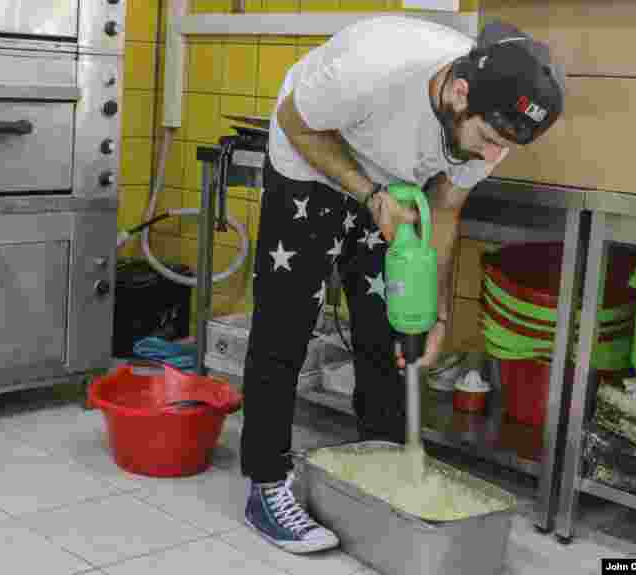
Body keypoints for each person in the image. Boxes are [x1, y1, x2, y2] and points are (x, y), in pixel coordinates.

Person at [239, 16, 565, 553]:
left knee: (392, 329)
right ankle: (267, 483)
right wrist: (370, 196)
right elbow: (295, 121)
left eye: (502, 146)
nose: (490, 157)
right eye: (487, 140)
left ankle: (383, 475)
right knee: (286, 323)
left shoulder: (496, 119)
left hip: (392, 181)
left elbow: (446, 208)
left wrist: (436, 312)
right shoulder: (373, 66)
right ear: (459, 93)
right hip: (311, 155)